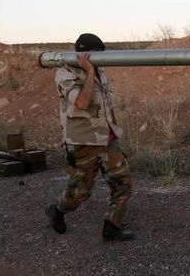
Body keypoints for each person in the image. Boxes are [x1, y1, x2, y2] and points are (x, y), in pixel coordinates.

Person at [45, 33, 135, 241]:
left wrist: (114, 132)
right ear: (85, 54)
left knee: (123, 184)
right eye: (96, 55)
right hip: (83, 143)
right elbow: (82, 103)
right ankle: (57, 210)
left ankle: (112, 226)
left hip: (107, 140)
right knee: (80, 192)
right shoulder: (64, 73)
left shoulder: (99, 69)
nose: (100, 59)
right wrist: (88, 71)